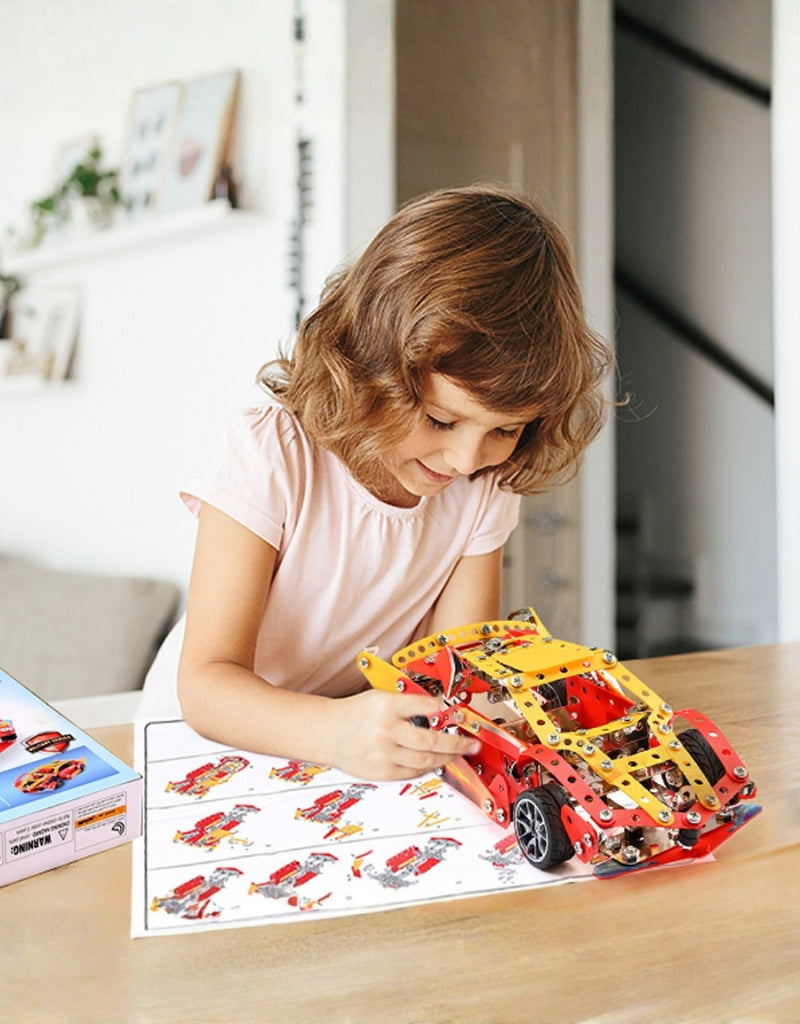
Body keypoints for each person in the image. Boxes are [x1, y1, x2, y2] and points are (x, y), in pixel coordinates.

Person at [140, 183, 612, 781]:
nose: (467, 459)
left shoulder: (483, 487)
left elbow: (455, 671)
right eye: (442, 419)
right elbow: (205, 687)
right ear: (372, 365)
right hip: (192, 751)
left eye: (507, 429)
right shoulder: (273, 454)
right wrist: (338, 731)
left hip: (332, 757)